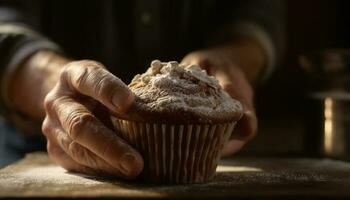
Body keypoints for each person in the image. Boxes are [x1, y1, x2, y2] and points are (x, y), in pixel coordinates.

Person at [0, 0, 285, 178]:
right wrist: (53, 81)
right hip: (49, 150)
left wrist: (233, 60)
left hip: (227, 156)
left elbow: (258, 14)